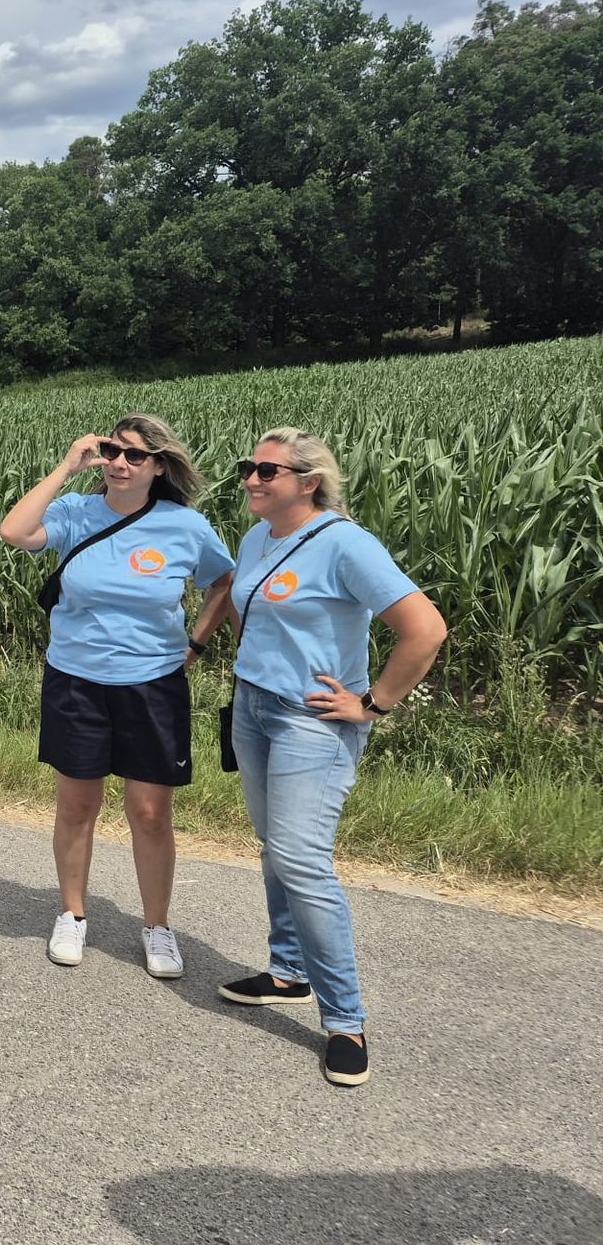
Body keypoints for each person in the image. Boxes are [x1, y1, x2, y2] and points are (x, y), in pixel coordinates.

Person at [217, 428, 447, 1089]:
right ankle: (287, 971)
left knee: (301, 859)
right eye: (248, 468)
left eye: (267, 470)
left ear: (308, 481)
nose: (252, 480)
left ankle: (345, 1020)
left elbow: (424, 628)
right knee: (273, 846)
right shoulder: (259, 535)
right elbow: (250, 608)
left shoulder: (345, 542)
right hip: (255, 708)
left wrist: (372, 704)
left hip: (310, 721)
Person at [0, 415, 235, 980]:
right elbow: (14, 533)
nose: (120, 464)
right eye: (112, 452)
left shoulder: (186, 526)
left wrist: (196, 644)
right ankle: (73, 914)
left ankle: (157, 926)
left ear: (159, 466)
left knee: (150, 813)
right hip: (75, 680)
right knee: (77, 805)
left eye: (134, 455)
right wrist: (66, 467)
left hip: (152, 684)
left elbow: (223, 582)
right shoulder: (77, 512)